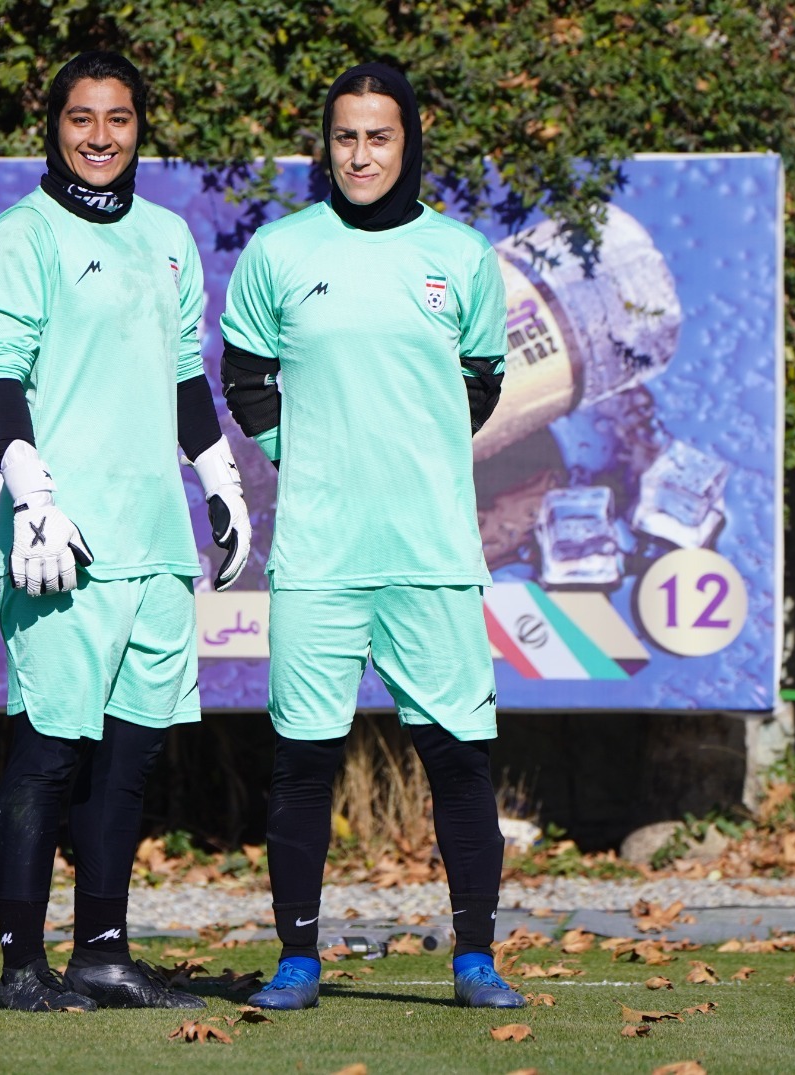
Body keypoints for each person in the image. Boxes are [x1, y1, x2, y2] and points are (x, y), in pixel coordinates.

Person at [217, 62, 523, 1011]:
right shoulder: (279, 250)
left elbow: (481, 381)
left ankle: (475, 958)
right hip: (319, 554)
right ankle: (297, 959)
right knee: (304, 761)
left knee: (459, 758)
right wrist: (311, 455)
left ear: (409, 141)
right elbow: (244, 376)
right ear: (328, 145)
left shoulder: (462, 256)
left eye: (378, 137)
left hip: (432, 551)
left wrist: (413, 453)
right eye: (344, 137)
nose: (360, 155)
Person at [0, 50, 251, 1012]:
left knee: (129, 759)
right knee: (49, 754)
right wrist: (34, 497)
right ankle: (21, 967)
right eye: (81, 118)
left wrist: (220, 481)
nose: (100, 136)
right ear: (54, 126)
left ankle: (101, 955)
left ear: (140, 127)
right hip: (61, 542)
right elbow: (0, 375)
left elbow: (184, 377)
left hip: (156, 542)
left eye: (118, 118)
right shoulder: (22, 235)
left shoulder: (169, 238)